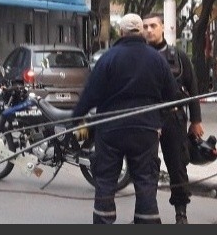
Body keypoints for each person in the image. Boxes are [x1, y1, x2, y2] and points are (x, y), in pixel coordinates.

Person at [72, 13, 177, 224]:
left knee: (105, 181)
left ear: (120, 32)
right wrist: (157, 122)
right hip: (145, 131)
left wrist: (77, 119)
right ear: (141, 31)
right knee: (146, 182)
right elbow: (172, 98)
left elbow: (90, 94)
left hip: (110, 131)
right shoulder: (157, 60)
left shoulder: (108, 59)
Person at [141, 12, 204, 224]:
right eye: (145, 26)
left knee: (177, 167)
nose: (149, 30)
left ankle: (181, 214)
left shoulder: (178, 56)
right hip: (147, 120)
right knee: (146, 168)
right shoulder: (138, 56)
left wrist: (196, 120)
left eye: (153, 26)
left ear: (162, 28)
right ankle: (147, 213)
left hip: (173, 119)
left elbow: (193, 88)